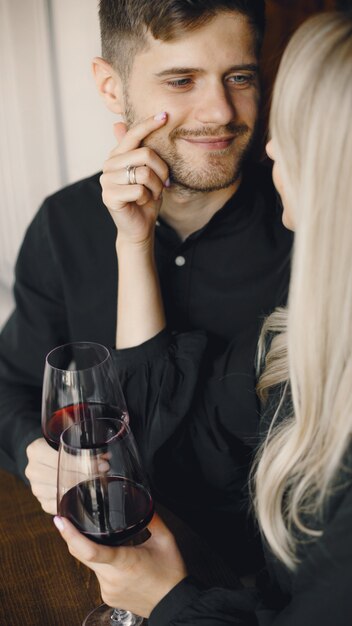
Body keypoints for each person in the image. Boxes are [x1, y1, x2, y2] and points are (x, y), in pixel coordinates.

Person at [54, 9, 352, 625]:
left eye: (294, 127)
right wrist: (134, 245)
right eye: (181, 80)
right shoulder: (303, 332)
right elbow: (161, 448)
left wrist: (169, 601)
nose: (265, 141)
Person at [0, 0, 292, 572]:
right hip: (93, 554)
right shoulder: (64, 223)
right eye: (181, 80)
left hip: (265, 576)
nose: (221, 111)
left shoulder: (305, 227)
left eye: (240, 77)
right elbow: (10, 384)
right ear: (112, 88)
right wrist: (36, 453)